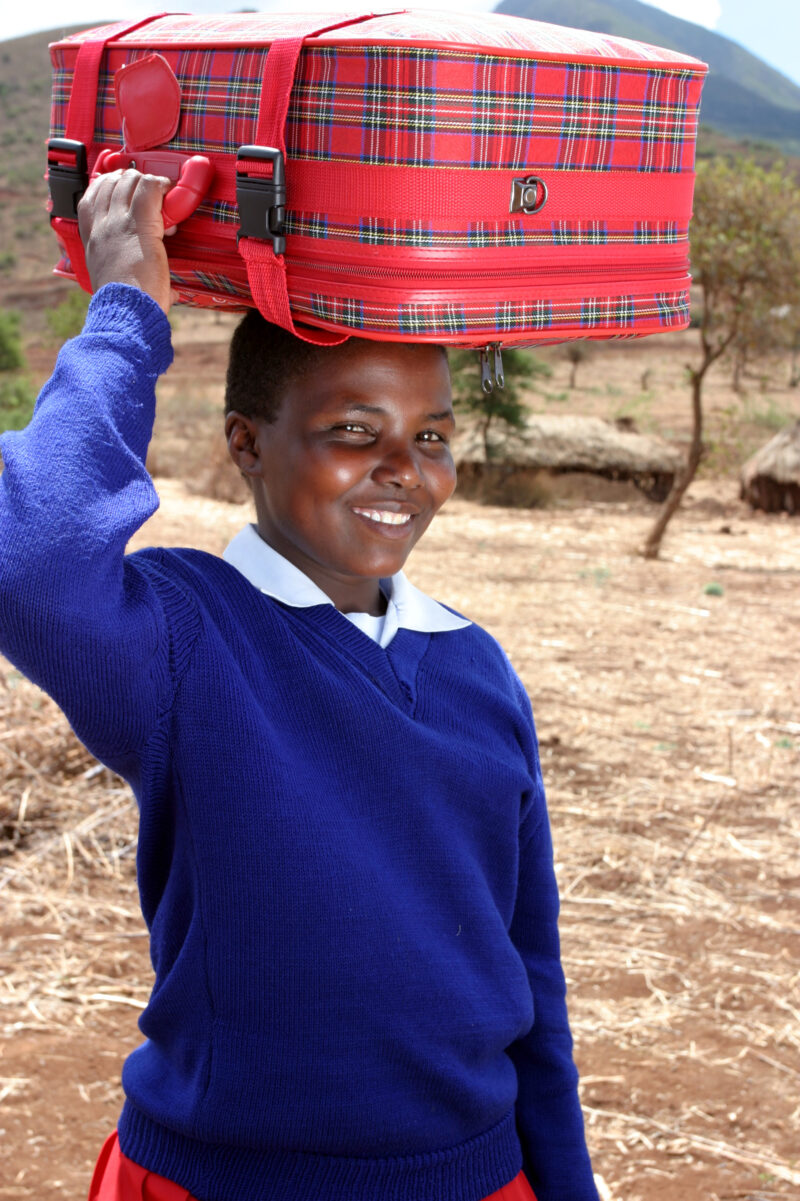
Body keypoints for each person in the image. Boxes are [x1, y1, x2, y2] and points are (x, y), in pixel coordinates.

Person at [0, 170, 599, 1201]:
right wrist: (129, 309)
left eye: (434, 436)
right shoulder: (185, 637)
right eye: (354, 433)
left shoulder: (473, 665)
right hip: (219, 1179)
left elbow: (528, 972)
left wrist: (564, 1182)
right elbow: (32, 559)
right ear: (246, 444)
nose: (405, 470)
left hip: (474, 1178)